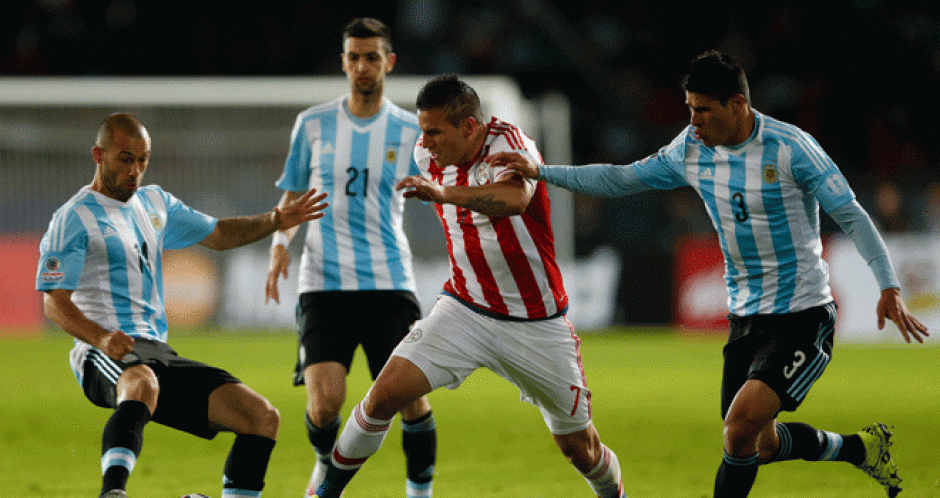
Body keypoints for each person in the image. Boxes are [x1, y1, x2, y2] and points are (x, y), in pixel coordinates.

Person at [487, 51, 930, 498]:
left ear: (737, 104)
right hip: (746, 318)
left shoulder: (791, 147)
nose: (693, 121)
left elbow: (851, 215)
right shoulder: (691, 149)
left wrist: (888, 284)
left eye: (703, 110)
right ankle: (862, 449)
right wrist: (542, 173)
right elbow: (622, 179)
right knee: (760, 444)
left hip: (803, 314)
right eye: (690, 109)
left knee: (739, 429)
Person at [311, 73, 627, 498]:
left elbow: (514, 201)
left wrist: (444, 194)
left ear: (468, 127)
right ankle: (322, 494)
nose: (427, 142)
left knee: (580, 449)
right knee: (382, 398)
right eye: (423, 131)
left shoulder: (511, 145)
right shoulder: (427, 153)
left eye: (435, 131)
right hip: (464, 309)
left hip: (535, 323)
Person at [36, 112, 329, 498]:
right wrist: (102, 337)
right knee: (140, 381)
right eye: (125, 159)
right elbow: (54, 303)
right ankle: (113, 493)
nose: (135, 170)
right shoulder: (73, 218)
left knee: (261, 417)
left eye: (143, 159)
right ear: (98, 155)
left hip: (158, 352)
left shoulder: (155, 203)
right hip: (103, 351)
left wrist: (275, 220)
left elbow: (220, 233)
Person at [264, 17, 437, 498]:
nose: (362, 66)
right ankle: (326, 470)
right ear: (343, 62)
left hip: (388, 282)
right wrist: (280, 245)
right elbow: (293, 197)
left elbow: (437, 190)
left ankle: (419, 493)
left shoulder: (409, 131)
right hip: (323, 281)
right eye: (354, 57)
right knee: (324, 407)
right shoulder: (313, 124)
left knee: (411, 403)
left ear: (389, 62)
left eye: (372, 57)